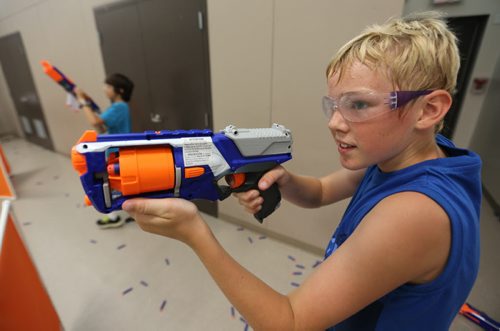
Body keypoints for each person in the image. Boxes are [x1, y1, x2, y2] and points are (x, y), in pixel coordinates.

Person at [122, 12, 482, 330]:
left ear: (428, 109)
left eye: (358, 104)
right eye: (334, 105)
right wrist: (286, 180)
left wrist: (195, 232)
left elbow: (291, 321)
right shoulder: (408, 157)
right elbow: (322, 192)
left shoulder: (415, 213)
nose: (335, 123)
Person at [75, 73, 135, 229]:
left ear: (120, 90)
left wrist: (82, 102)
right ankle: (130, 211)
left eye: (108, 86)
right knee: (117, 183)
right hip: (117, 151)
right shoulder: (118, 107)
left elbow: (95, 121)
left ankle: (114, 217)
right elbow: (101, 127)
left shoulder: (119, 107)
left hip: (117, 152)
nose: (105, 89)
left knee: (105, 183)